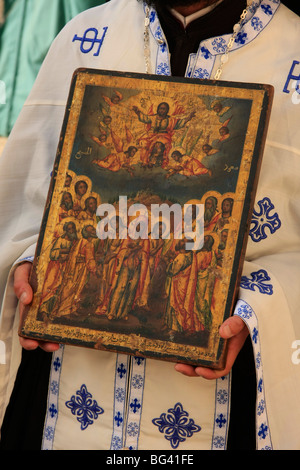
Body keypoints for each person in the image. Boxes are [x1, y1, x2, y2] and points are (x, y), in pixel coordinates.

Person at [0, 0, 299, 451]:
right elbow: (23, 203)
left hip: (231, 395)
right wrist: (33, 265)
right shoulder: (86, 37)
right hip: (69, 388)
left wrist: (261, 312)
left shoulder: (292, 53)